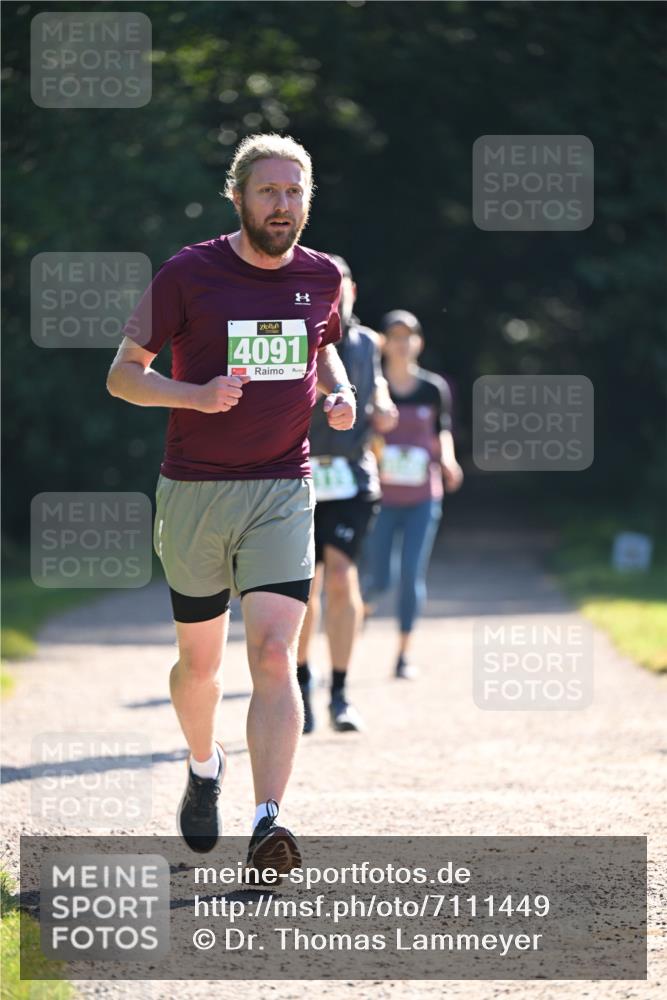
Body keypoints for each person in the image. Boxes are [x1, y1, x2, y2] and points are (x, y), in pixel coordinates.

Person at [106, 134, 356, 870]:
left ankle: (268, 820)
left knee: (275, 654)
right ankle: (202, 761)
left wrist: (337, 390)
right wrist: (194, 395)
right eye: (268, 192)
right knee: (200, 666)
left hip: (284, 486)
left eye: (294, 192)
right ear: (238, 196)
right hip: (195, 491)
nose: (282, 206)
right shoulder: (190, 272)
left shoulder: (320, 276)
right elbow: (123, 376)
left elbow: (324, 342)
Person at [297, 256, 397, 734]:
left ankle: (339, 692)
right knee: (304, 586)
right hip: (297, 476)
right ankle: (299, 687)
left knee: (340, 576)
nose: (336, 294)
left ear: (353, 291)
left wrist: (382, 404)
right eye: (327, 286)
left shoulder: (363, 342)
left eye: (342, 286)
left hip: (353, 479)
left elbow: (376, 388)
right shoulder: (297, 336)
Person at [364, 310, 463, 678]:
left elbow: (443, 430)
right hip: (381, 498)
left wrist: (448, 461)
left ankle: (403, 654)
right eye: (395, 336)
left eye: (409, 336)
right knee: (379, 579)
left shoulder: (432, 388)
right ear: (384, 342)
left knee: (411, 575)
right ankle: (358, 616)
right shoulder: (372, 385)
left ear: (418, 343)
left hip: (423, 497)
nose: (402, 344)